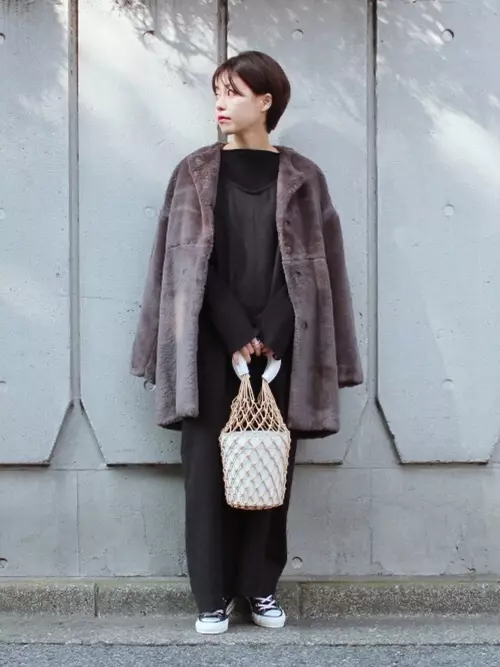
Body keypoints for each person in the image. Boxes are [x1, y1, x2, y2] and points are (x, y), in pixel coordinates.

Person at [131, 50, 363, 634]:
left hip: (285, 345)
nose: (220, 103)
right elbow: (182, 264)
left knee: (269, 467)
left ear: (265, 101)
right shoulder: (193, 171)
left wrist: (273, 334)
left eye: (232, 92)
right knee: (206, 471)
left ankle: (260, 588)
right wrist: (237, 332)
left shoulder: (305, 177)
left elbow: (319, 267)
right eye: (217, 91)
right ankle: (211, 596)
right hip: (207, 343)